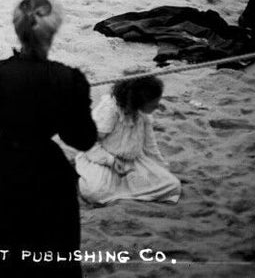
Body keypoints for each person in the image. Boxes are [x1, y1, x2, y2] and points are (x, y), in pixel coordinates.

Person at [0, 0, 97, 276]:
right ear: (52, 31)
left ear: (18, 30)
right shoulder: (67, 79)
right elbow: (83, 139)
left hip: (4, 167)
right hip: (47, 168)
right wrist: (77, 100)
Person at [75, 74, 179, 205]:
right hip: (103, 160)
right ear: (138, 102)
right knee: (96, 192)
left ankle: (121, 194)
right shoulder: (110, 110)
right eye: (153, 103)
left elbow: (151, 148)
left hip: (133, 162)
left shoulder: (143, 114)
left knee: (173, 186)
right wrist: (110, 161)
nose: (157, 106)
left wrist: (162, 170)